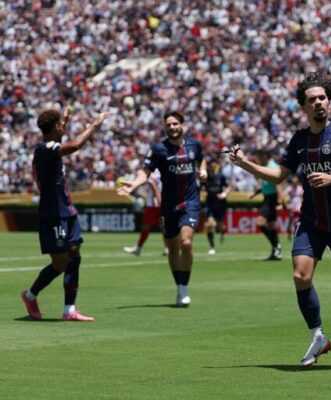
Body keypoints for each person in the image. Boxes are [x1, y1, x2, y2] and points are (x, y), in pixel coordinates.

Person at [229, 71, 331, 366]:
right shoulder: (299, 140)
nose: (319, 103)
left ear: (329, 101)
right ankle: (318, 336)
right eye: (312, 99)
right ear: (304, 106)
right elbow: (279, 175)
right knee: (300, 275)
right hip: (311, 220)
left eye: (323, 98)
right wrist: (245, 163)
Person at [21, 107, 108, 321]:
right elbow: (75, 145)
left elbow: (58, 139)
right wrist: (94, 125)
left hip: (67, 210)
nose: (64, 128)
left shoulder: (50, 146)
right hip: (53, 213)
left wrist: (64, 121)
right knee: (61, 263)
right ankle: (30, 295)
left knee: (74, 255)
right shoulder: (44, 149)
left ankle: (69, 310)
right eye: (61, 125)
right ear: (55, 127)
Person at [118, 111, 207, 307]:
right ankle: (179, 288)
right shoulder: (158, 149)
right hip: (168, 206)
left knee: (186, 242)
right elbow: (145, 172)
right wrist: (134, 184)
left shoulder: (194, 145)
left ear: (182, 125)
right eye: (169, 124)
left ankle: (185, 287)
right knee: (173, 248)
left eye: (175, 123)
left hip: (190, 202)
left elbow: (201, 159)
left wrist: (203, 170)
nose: (172, 127)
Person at [123, 170, 169, 256]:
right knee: (164, 226)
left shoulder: (152, 173)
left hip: (153, 205)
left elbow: (153, 186)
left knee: (146, 227)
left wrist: (157, 199)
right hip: (161, 203)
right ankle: (168, 248)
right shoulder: (160, 172)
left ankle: (138, 248)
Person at [249, 150, 283, 261]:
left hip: (271, 199)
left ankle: (276, 246)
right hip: (267, 198)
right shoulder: (265, 166)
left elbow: (278, 184)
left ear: (264, 156)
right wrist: (256, 193)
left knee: (260, 222)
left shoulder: (272, 167)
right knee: (271, 226)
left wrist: (280, 202)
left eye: (258, 157)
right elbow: (266, 184)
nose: (257, 160)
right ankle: (276, 250)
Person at [203, 158, 230, 255]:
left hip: (220, 204)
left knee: (221, 226)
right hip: (210, 204)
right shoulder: (205, 177)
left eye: (214, 164)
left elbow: (228, 186)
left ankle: (222, 232)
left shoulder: (221, 176)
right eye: (211, 165)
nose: (213, 166)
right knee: (210, 225)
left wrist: (224, 194)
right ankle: (211, 246)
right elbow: (200, 187)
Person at [286, 175, 303, 240]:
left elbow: (302, 197)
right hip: (292, 206)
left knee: (297, 221)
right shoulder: (289, 188)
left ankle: (296, 233)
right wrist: (287, 204)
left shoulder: (300, 188)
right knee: (290, 221)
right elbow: (284, 197)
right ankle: (289, 233)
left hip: (298, 206)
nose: (294, 182)